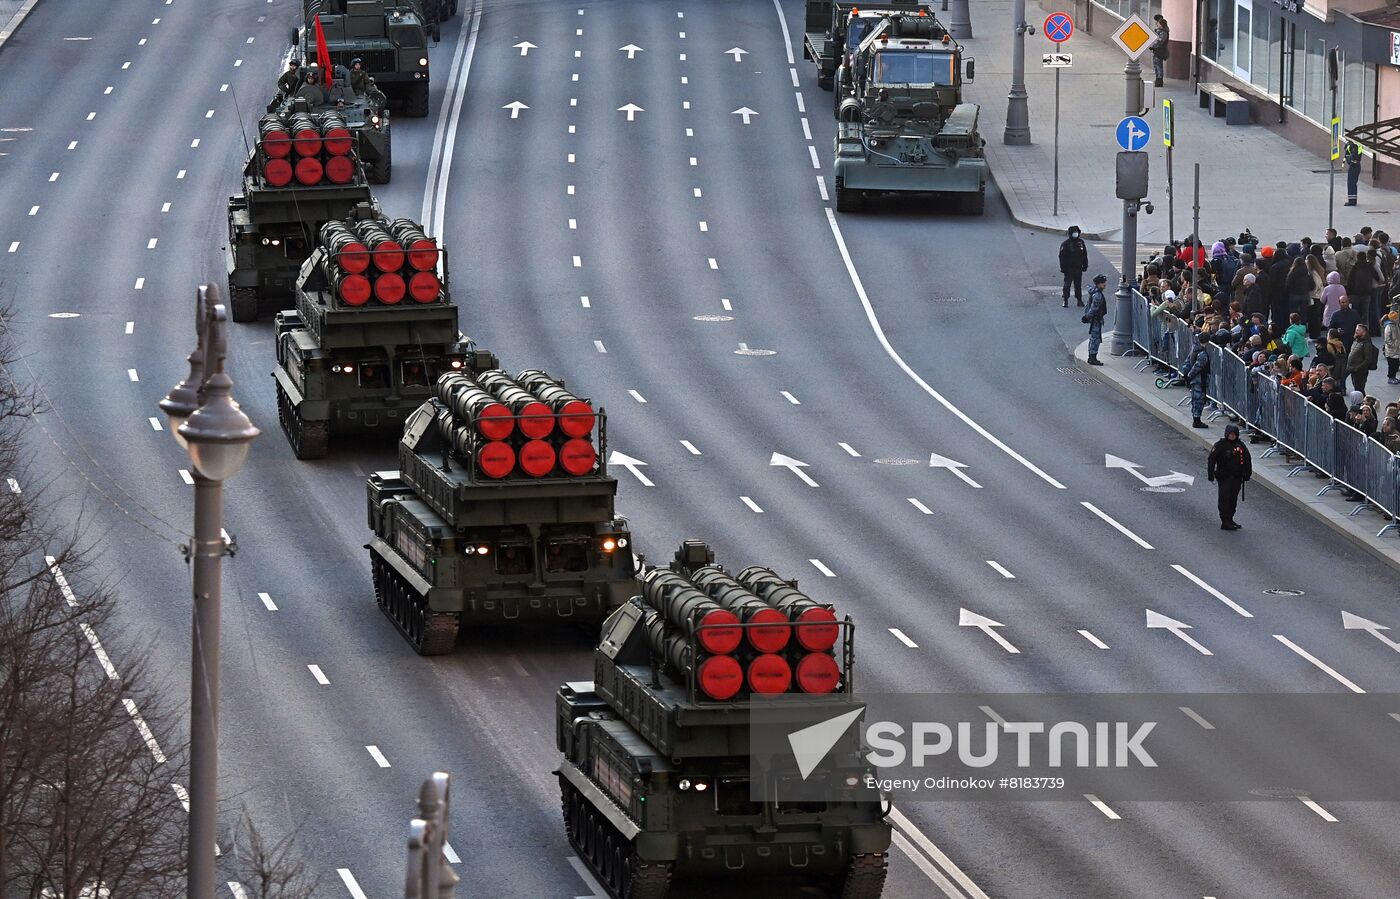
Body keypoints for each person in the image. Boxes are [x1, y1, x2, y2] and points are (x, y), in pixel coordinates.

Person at [1207, 424, 1251, 530]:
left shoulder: (1241, 445)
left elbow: (1247, 460)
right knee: (1224, 499)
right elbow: (1212, 459)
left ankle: (1230, 518)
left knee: (1233, 499)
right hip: (1224, 477)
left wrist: (1247, 473)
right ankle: (1225, 521)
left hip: (1236, 477)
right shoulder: (1220, 445)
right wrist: (1210, 474)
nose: (1232, 436)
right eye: (1230, 434)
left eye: (1234, 434)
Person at [1183, 332, 1211, 428]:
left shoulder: (1194, 349)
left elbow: (1187, 362)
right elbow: (1197, 367)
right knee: (1198, 400)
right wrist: (1189, 376)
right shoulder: (1202, 353)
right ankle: (1197, 420)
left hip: (1195, 379)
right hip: (1199, 379)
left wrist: (1185, 374)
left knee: (1195, 399)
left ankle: (1196, 419)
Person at [1059, 226, 1089, 308]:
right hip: (1069, 269)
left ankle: (1079, 300)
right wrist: (1063, 268)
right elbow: (1062, 257)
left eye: (1077, 232)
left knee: (1078, 285)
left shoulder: (1080, 242)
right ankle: (1065, 300)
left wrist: (1085, 265)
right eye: (1074, 232)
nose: (1076, 234)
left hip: (1078, 268)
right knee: (1067, 285)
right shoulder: (1066, 244)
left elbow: (1084, 254)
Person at [1084, 274, 1109, 365]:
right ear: (1098, 284)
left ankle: (1091, 357)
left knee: (1094, 338)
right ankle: (1092, 358)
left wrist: (1087, 316)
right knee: (1095, 338)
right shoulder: (1098, 295)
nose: (1104, 284)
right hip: (1096, 319)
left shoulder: (1095, 292)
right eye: (1102, 282)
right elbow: (1094, 308)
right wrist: (1087, 317)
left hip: (1095, 319)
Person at [1348, 324, 1379, 393]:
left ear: (1364, 333)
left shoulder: (1367, 344)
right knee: (1357, 388)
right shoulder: (1356, 341)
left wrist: (1357, 368)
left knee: (1359, 389)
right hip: (1353, 370)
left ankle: (1362, 400)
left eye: (1358, 330)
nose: (1356, 331)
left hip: (1360, 371)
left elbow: (1368, 359)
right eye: (1356, 330)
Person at [1151, 15, 1170, 87]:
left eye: (1158, 23)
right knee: (1156, 65)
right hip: (1157, 51)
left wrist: (1152, 46)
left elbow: (1159, 41)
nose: (1157, 24)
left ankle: (1159, 80)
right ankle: (1157, 79)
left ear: (1161, 25)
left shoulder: (1163, 32)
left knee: (1159, 66)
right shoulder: (1159, 31)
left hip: (1160, 51)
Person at [1383, 309, 1400, 385]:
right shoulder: (1389, 327)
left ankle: (1394, 377)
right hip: (1391, 350)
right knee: (1392, 365)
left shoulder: (1396, 326)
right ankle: (1391, 377)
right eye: (1396, 318)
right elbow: (1387, 339)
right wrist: (1393, 346)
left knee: (1396, 364)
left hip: (1397, 349)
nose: (1398, 319)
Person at [1344, 141, 1363, 206]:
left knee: (1351, 184)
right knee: (1352, 183)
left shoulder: (1354, 146)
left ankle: (1352, 201)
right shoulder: (1356, 145)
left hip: (1354, 166)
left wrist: (1350, 161)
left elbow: (1353, 156)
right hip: (1356, 165)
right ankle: (1352, 200)